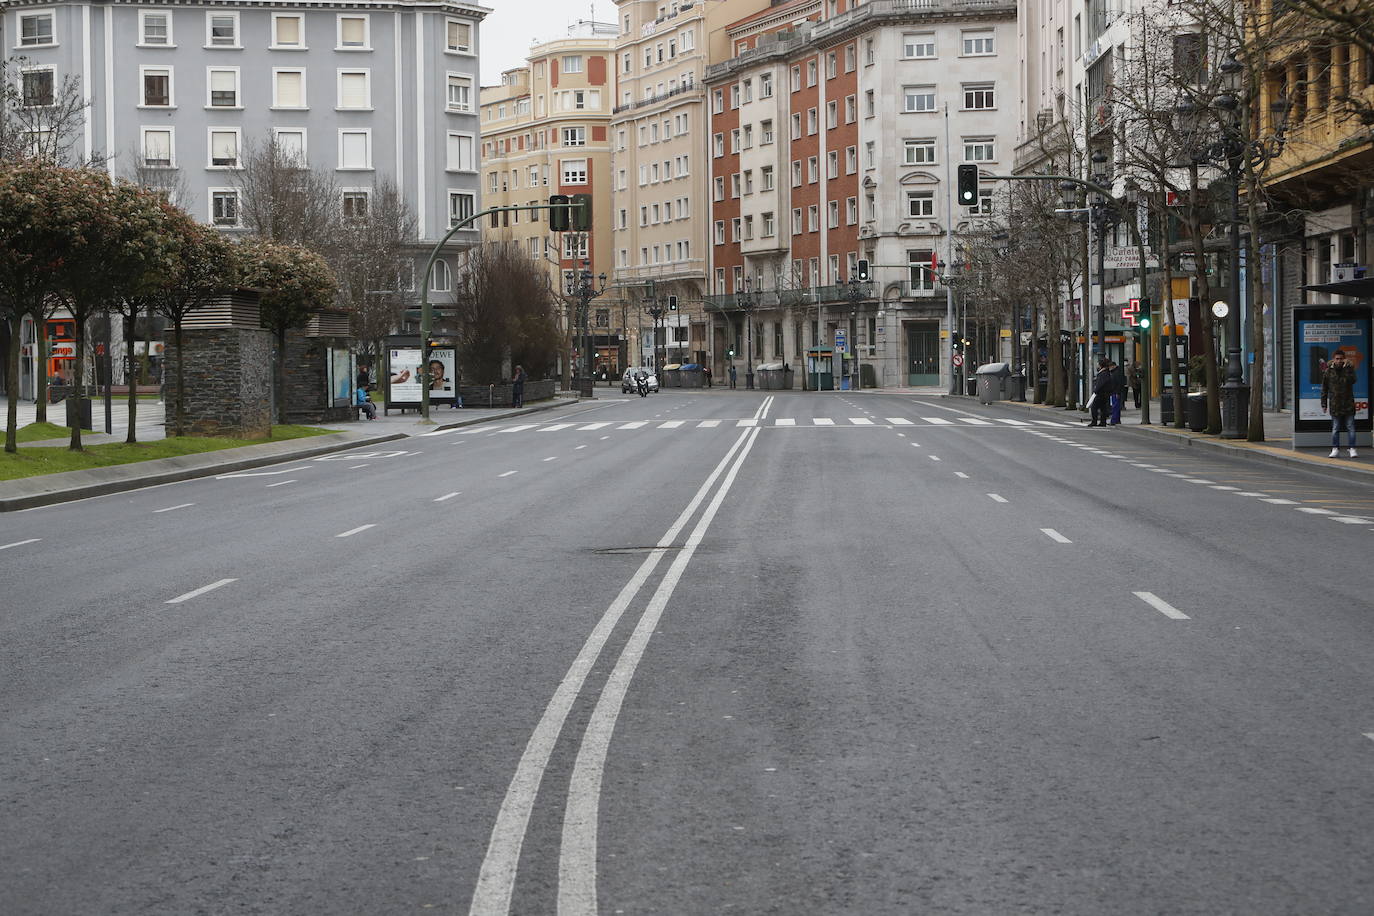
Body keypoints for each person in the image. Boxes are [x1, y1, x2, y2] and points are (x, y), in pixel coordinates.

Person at [1321, 349, 1357, 458]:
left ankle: (1352, 448)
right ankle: (1335, 448)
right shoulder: (1328, 371)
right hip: (1335, 404)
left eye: (1341, 359)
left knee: (1350, 427)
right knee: (1335, 428)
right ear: (1333, 359)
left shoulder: (1349, 369)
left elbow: (1353, 380)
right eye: (1337, 359)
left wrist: (1347, 368)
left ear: (1344, 359)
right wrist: (1324, 404)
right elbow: (1324, 389)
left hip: (1348, 404)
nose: (1339, 361)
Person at [1088, 358, 1115, 427]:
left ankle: (1094, 421)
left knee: (1094, 407)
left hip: (1101, 393)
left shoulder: (1103, 373)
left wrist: (1096, 390)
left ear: (1101, 365)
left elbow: (1101, 384)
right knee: (1103, 408)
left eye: (1098, 363)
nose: (1097, 365)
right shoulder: (1106, 372)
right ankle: (1103, 422)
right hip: (1104, 393)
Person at [1109, 360, 1127, 425]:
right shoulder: (1116, 372)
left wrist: (1117, 392)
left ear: (1113, 366)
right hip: (1115, 392)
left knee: (1115, 407)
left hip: (1115, 392)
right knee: (1116, 406)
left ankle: (1114, 420)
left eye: (1110, 367)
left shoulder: (1116, 373)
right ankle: (1116, 420)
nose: (1109, 368)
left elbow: (1119, 383)